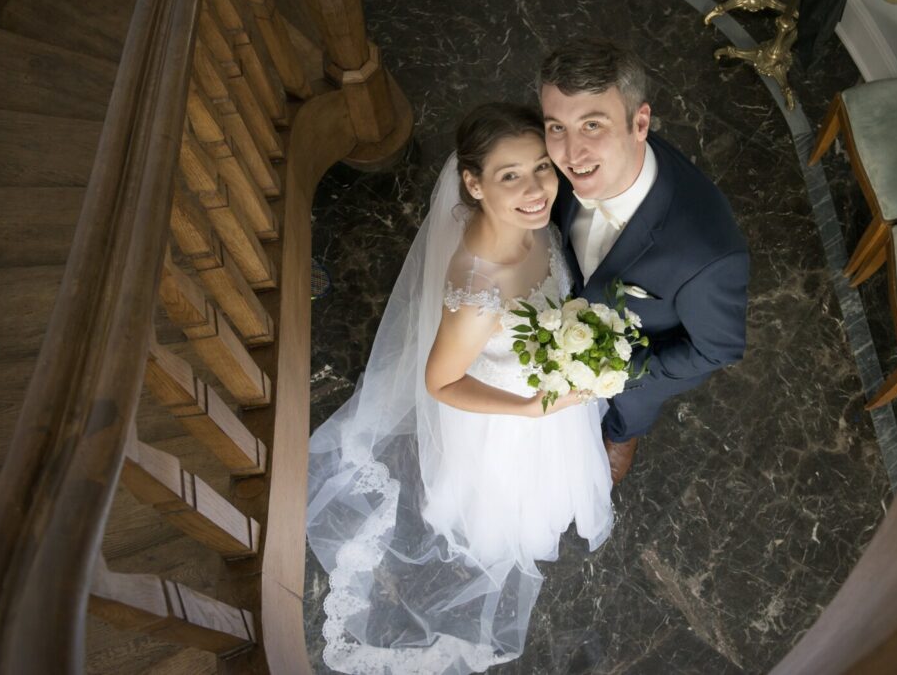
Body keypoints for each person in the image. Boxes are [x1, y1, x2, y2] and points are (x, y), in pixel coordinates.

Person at [306, 103, 613, 675]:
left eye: (541, 167)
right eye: (509, 175)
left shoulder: (532, 222)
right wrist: (528, 407)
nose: (536, 189)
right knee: (511, 497)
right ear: (473, 184)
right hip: (508, 413)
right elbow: (442, 382)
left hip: (543, 387)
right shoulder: (478, 286)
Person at [539, 38, 749, 486]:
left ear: (640, 123)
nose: (571, 155)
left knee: (632, 406)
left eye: (592, 125)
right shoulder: (557, 165)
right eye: (557, 127)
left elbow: (718, 348)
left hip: (637, 358)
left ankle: (623, 433)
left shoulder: (708, 256)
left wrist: (621, 374)